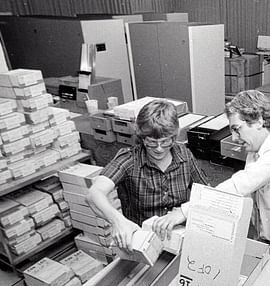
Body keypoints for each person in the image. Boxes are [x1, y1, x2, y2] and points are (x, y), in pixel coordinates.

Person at [151, 90, 270, 257]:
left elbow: (240, 185)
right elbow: (240, 200)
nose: (234, 138)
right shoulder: (254, 153)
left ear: (259, 120)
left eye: (237, 129)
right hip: (267, 247)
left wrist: (184, 211)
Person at [86, 99, 208, 251]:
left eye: (165, 142)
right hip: (142, 244)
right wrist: (118, 221)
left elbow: (207, 193)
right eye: (151, 142)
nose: (158, 149)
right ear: (142, 138)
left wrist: (184, 212)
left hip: (179, 239)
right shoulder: (130, 160)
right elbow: (94, 194)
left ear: (174, 137)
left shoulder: (184, 154)